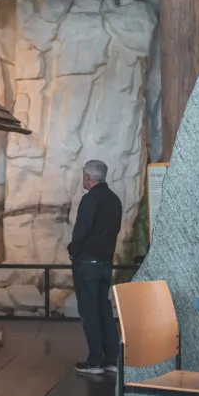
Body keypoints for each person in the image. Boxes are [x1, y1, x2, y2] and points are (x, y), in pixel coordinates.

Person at [67, 160, 122, 375]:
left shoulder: (91, 200)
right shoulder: (115, 200)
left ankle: (95, 361)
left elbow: (82, 230)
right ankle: (111, 359)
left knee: (90, 311)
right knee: (104, 309)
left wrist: (74, 250)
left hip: (88, 262)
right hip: (106, 261)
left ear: (88, 176)